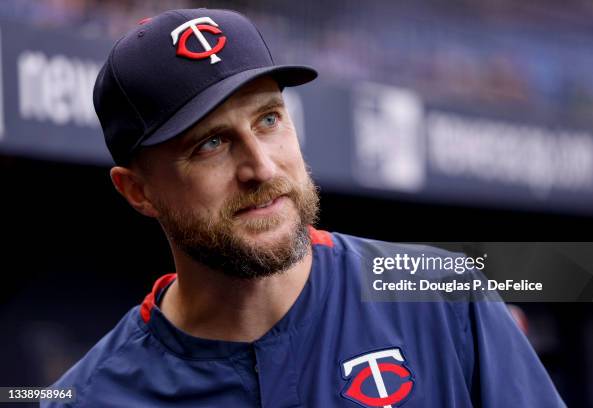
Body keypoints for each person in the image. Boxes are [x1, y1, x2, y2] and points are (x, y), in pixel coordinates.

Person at [44, 7, 565, 408]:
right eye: (211, 144)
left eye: (269, 120)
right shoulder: (92, 395)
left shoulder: (446, 298)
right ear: (138, 192)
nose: (262, 168)